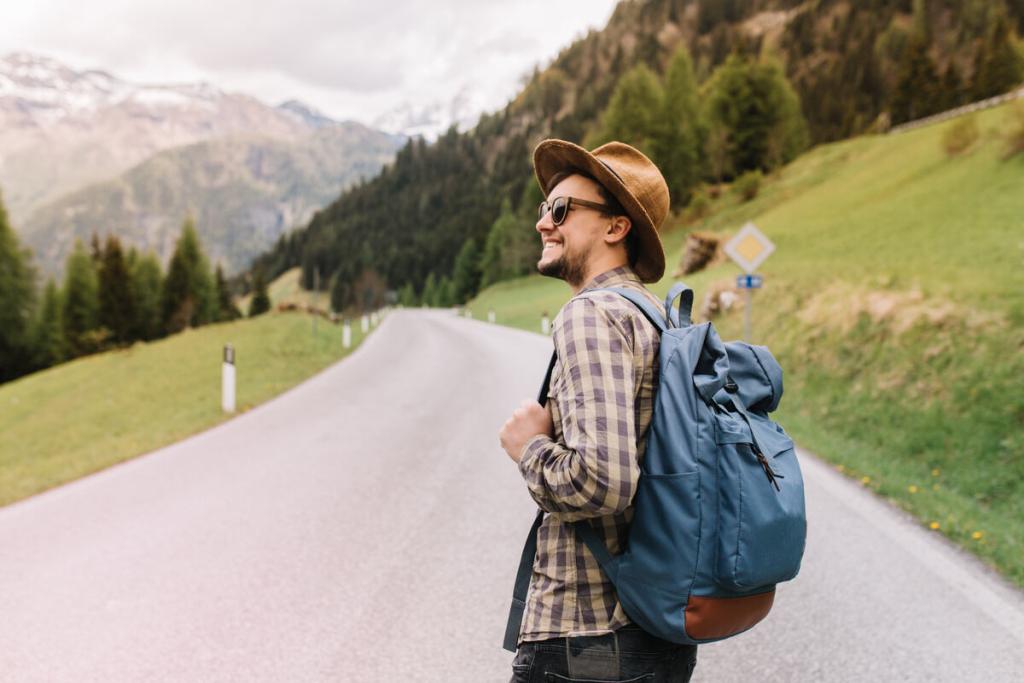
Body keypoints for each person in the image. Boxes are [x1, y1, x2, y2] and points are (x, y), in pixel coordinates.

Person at [498, 139, 698, 682]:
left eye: (561, 209)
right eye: (546, 209)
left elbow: (604, 482)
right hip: (652, 631)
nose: (544, 222)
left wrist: (529, 448)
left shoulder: (592, 315)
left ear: (616, 228)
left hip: (584, 638)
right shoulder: (655, 317)